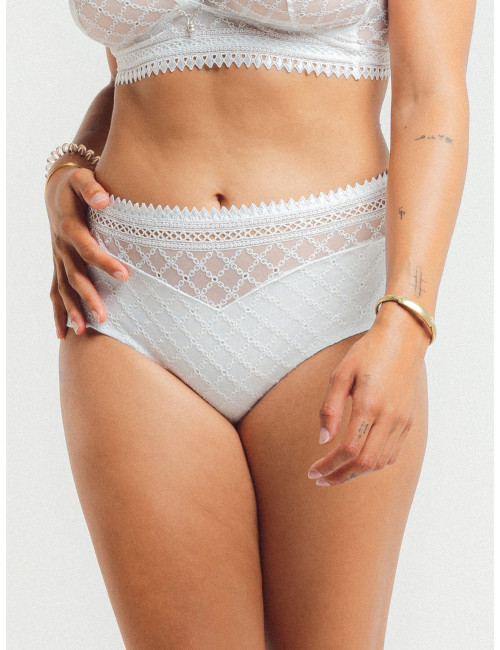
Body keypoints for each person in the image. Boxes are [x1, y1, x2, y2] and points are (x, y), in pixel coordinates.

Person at [44, 0, 475, 647]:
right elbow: (136, 70)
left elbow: (430, 95)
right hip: (129, 305)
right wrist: (67, 168)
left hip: (330, 305)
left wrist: (407, 319)